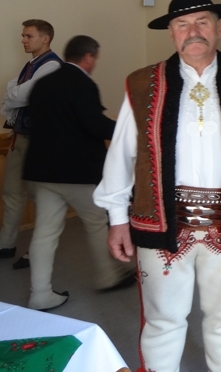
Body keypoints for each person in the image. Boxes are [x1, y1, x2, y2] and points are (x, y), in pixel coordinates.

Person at [93, 0, 221, 372]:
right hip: (161, 221)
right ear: (171, 33)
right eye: (182, 24)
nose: (192, 31)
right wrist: (117, 218)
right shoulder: (142, 83)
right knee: (163, 319)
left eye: (202, 22)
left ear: (218, 29)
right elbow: (122, 155)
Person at [24, 35, 134, 310]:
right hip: (77, 172)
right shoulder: (83, 83)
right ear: (88, 57)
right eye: (94, 58)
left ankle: (40, 293)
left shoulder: (42, 83)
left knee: (44, 232)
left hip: (42, 170)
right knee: (96, 223)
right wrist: (127, 130)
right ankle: (108, 277)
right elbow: (94, 125)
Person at [0, 19, 61, 269]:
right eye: (23, 36)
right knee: (11, 192)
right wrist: (13, 92)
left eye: (29, 36)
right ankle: (6, 244)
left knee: (41, 197)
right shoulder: (31, 65)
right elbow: (13, 94)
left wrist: (13, 92)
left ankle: (36, 250)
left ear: (45, 38)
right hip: (20, 137)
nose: (23, 40)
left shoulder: (52, 65)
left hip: (40, 142)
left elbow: (20, 94)